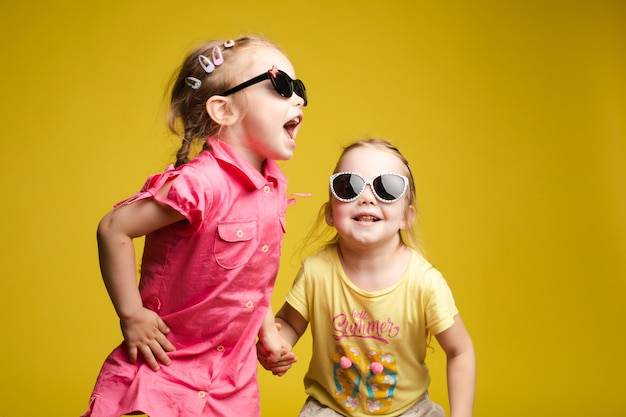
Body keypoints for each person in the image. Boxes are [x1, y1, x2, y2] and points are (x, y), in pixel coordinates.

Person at [82, 35, 307, 417]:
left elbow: (252, 279)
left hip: (231, 380)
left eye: (299, 89)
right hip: (166, 367)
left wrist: (266, 331)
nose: (298, 99)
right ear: (224, 110)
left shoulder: (273, 186)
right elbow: (113, 228)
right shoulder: (199, 184)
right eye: (281, 85)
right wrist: (132, 314)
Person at [259, 138, 475, 417]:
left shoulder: (424, 282)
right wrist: (278, 344)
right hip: (331, 408)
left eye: (388, 188)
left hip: (409, 410)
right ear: (329, 213)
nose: (367, 197)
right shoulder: (317, 272)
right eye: (349, 186)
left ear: (406, 217)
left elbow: (460, 351)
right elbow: (289, 322)